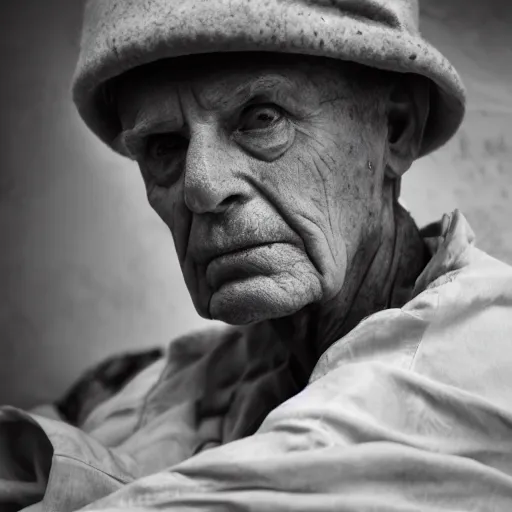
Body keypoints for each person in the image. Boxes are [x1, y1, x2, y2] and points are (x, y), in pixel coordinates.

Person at [3, 0, 512, 510]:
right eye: (163, 146)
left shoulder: (467, 370)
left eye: (262, 118)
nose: (201, 189)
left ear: (395, 128)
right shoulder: (221, 366)